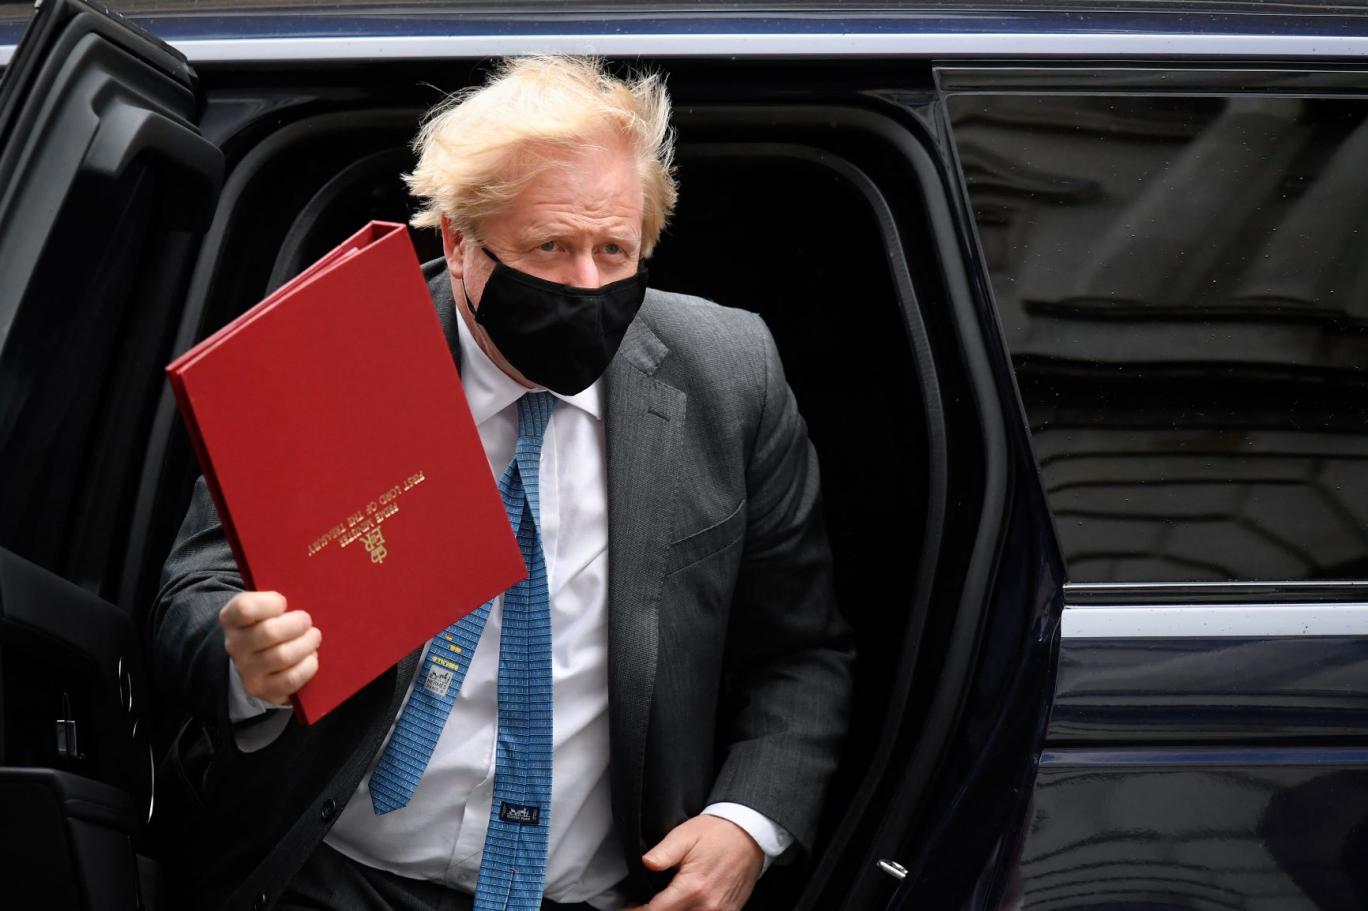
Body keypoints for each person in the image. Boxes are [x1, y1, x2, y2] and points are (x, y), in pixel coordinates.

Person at [151, 56, 853, 911]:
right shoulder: (337, 357)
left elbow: (801, 652)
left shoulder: (730, 374)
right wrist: (249, 665)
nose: (588, 285)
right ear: (458, 242)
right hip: (330, 877)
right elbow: (193, 595)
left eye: (614, 250)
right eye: (550, 248)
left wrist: (747, 822)